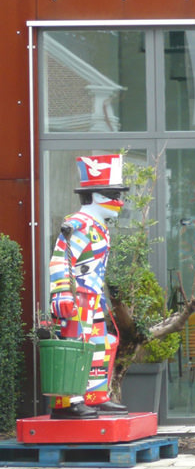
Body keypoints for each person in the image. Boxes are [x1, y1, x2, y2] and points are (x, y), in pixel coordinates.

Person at [48, 155, 130, 419]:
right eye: (114, 195)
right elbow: (61, 258)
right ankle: (67, 401)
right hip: (78, 297)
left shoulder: (98, 226)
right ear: (95, 196)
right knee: (74, 345)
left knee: (98, 344)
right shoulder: (78, 225)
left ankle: (94, 396)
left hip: (92, 297)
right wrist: (61, 292)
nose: (120, 202)